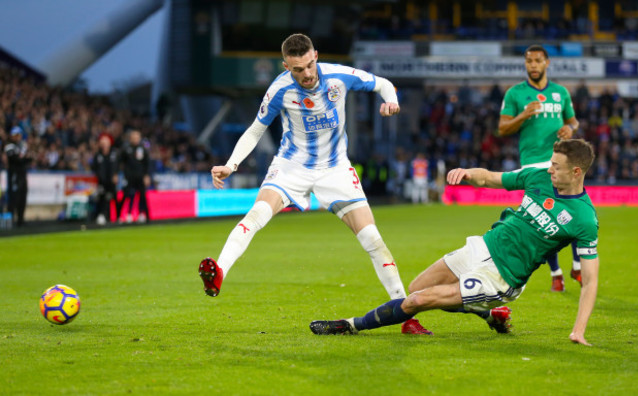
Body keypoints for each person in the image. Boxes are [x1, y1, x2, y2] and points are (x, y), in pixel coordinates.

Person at [200, 33, 432, 335]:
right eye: (298, 70)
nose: (307, 74)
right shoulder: (279, 90)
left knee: (374, 241)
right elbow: (256, 130)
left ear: (316, 56)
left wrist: (392, 101)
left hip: (335, 169)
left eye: (310, 65)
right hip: (291, 167)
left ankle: (406, 315)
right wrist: (231, 165)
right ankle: (218, 273)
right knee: (256, 215)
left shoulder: (340, 75)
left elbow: (383, 84)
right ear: (286, 66)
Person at [310, 139, 600, 346]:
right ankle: (489, 314)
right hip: (483, 246)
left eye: (557, 167)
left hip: (501, 277)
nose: (550, 170)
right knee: (417, 287)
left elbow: (589, 282)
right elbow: (490, 178)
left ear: (576, 172)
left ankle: (349, 325)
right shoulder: (539, 176)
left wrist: (578, 330)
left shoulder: (583, 219)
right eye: (551, 163)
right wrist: (468, 174)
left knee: (417, 301)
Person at [497, 44, 581, 292]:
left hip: (562, 161)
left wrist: (571, 129)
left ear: (547, 63)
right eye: (528, 61)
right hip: (534, 165)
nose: (532, 65)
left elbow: (573, 120)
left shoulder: (560, 92)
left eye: (537, 60)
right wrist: (523, 116)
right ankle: (556, 272)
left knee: (574, 212)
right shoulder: (515, 94)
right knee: (545, 220)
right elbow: (502, 128)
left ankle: (576, 267)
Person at [116, 130, 150, 224]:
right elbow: (119, 161)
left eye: (137, 137)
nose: (136, 139)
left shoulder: (142, 149)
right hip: (129, 177)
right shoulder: (126, 149)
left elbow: (146, 163)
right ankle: (120, 215)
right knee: (126, 195)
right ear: (130, 138)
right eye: (134, 137)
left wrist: (146, 175)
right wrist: (119, 173)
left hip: (140, 176)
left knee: (142, 196)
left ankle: (144, 215)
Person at [4, 126, 31, 227]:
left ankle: (21, 219)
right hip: (14, 175)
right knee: (14, 197)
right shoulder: (9, 146)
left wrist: (25, 158)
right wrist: (26, 158)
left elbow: (25, 158)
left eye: (19, 135)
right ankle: (10, 220)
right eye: (16, 135)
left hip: (22, 174)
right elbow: (17, 160)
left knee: (22, 197)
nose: (18, 137)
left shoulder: (21, 146)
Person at [92, 133, 119, 225]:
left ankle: (118, 217)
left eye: (106, 141)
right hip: (101, 181)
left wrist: (116, 174)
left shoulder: (114, 154)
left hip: (111, 181)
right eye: (102, 141)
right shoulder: (97, 155)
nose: (104, 143)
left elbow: (117, 166)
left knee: (114, 198)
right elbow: (94, 168)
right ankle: (102, 215)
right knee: (101, 199)